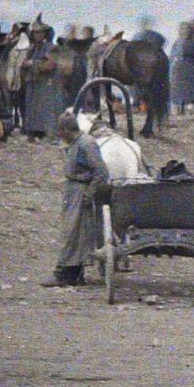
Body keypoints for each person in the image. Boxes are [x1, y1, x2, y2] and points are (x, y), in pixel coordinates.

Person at [44, 109, 109, 287]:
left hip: (80, 191)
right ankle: (75, 272)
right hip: (73, 190)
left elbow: (102, 173)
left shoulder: (86, 144)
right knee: (74, 232)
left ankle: (64, 273)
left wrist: (89, 193)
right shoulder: (75, 143)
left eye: (60, 132)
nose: (60, 136)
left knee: (73, 232)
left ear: (66, 129)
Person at [19, 21, 64, 139]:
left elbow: (51, 64)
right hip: (33, 82)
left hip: (46, 83)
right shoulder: (32, 48)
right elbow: (23, 62)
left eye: (40, 33)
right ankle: (33, 130)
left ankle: (48, 131)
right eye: (35, 33)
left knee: (46, 107)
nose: (37, 35)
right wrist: (26, 64)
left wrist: (34, 63)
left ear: (45, 34)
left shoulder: (51, 48)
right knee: (32, 106)